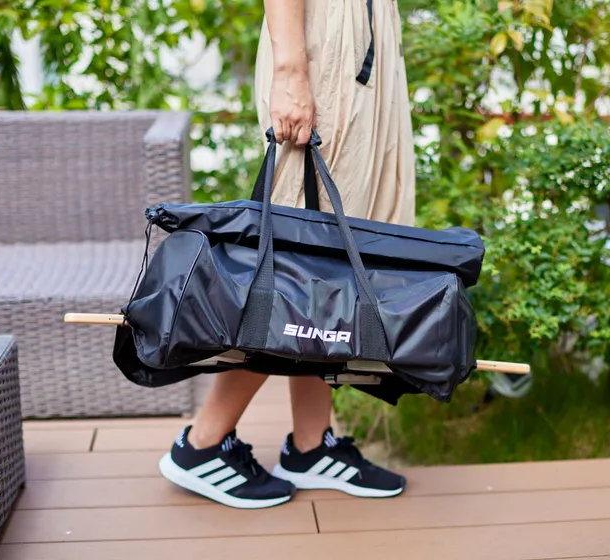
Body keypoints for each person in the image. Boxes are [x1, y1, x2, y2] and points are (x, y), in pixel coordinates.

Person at [158, 0, 417, 509]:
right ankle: (203, 443)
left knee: (334, 264)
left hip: (366, 40)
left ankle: (310, 444)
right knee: (298, 262)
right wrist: (291, 70)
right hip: (326, 43)